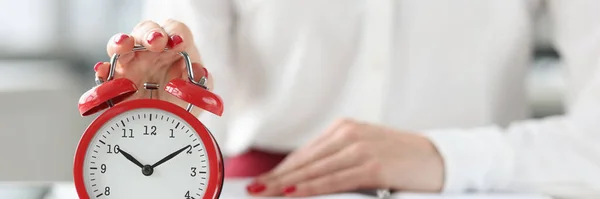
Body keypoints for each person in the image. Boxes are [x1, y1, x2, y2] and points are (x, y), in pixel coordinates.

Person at [93, 0, 600, 198]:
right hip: (262, 187)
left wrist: (447, 155)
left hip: (472, 188)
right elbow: (193, 91)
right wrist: (161, 117)